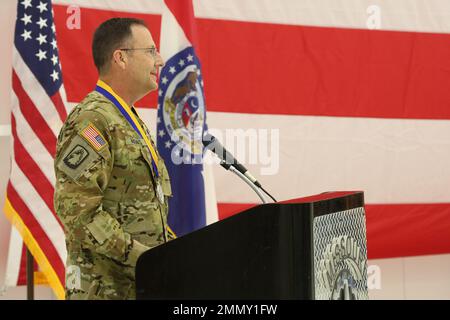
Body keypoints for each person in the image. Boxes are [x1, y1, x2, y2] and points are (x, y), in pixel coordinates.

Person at [54, 17, 173, 300]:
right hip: (105, 292)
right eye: (151, 51)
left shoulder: (127, 118)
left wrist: (177, 253)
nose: (160, 60)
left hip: (138, 287)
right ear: (120, 58)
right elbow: (77, 211)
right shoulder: (93, 119)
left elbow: (142, 210)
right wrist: (143, 258)